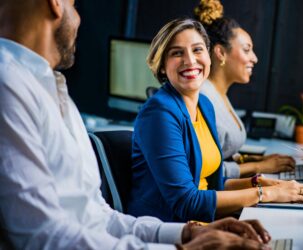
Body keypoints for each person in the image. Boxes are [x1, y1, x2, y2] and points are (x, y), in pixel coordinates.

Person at [0, 0, 272, 249]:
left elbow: (98, 217)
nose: (80, 18)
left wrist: (186, 235)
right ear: (56, 4)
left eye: (197, 50)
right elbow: (43, 236)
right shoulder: (9, 85)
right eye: (74, 3)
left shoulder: (53, 90)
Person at [128, 18, 303, 223]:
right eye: (177, 53)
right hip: (169, 228)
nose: (190, 61)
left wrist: (263, 184)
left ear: (209, 57)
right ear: (163, 66)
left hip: (203, 222)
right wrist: (266, 194)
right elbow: (186, 202)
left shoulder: (205, 105)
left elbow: (213, 185)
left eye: (197, 50)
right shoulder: (159, 113)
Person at [195, 0, 298, 179]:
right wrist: (258, 166)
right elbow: (205, 170)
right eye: (246, 50)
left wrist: (252, 159)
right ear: (221, 53)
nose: (255, 58)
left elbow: (221, 152)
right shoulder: (203, 98)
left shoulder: (219, 94)